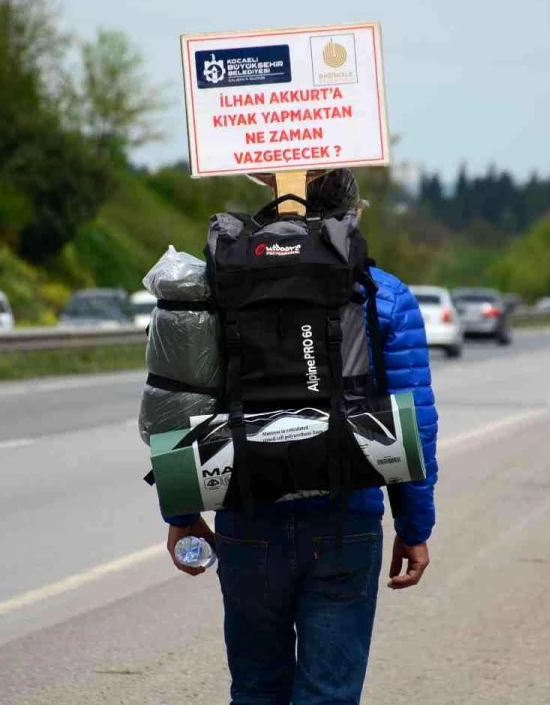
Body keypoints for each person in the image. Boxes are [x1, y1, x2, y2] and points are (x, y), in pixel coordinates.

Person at [163, 169, 439, 704]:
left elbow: (179, 397)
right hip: (347, 516)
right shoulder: (384, 293)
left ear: (279, 198)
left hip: (248, 512)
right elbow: (414, 422)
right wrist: (414, 524)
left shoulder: (227, 281)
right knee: (329, 694)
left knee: (257, 690)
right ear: (354, 213)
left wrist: (182, 515)